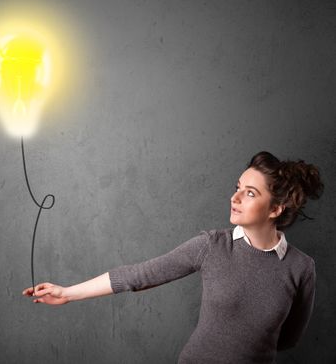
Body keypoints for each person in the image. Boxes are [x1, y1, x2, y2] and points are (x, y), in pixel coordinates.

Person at [22, 151, 323, 363]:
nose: (234, 198)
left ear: (275, 209)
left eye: (250, 193)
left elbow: (288, 340)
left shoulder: (301, 268)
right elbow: (138, 276)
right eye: (237, 188)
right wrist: (66, 293)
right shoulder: (212, 246)